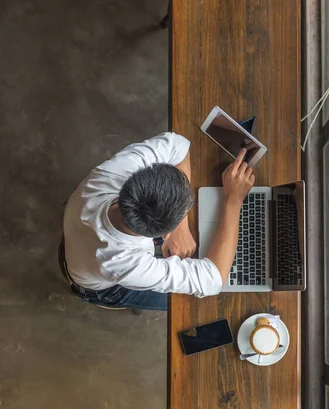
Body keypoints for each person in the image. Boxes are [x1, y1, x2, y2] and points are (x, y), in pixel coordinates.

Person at [63, 132, 255, 311]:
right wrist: (234, 200)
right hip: (98, 284)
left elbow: (178, 145)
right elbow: (213, 281)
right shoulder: (125, 264)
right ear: (160, 236)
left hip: (79, 235)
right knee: (179, 303)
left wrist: (181, 228)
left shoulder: (117, 171)